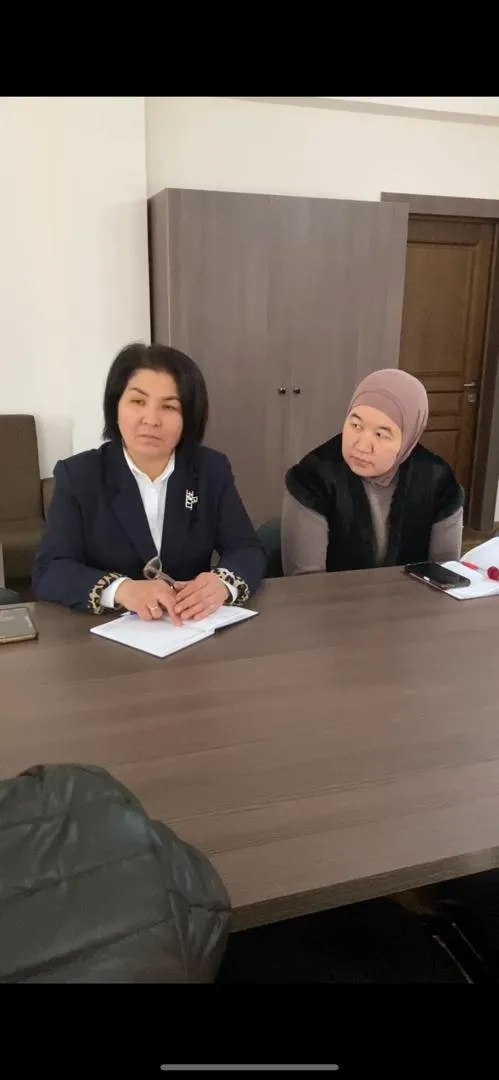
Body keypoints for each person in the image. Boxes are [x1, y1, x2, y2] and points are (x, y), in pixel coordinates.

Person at [33, 343, 265, 619]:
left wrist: (221, 584)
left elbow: (246, 549)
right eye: (138, 402)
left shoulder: (210, 469)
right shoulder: (79, 475)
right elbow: (50, 569)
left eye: (169, 406)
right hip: (104, 632)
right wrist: (122, 590)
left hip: (189, 627)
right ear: (115, 405)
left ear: (189, 416)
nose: (151, 420)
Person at [282, 368, 464, 575]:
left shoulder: (437, 481)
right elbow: (305, 581)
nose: (362, 446)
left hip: (412, 595)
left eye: (381, 434)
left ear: (409, 438)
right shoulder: (312, 476)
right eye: (355, 425)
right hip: (332, 595)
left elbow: (444, 574)